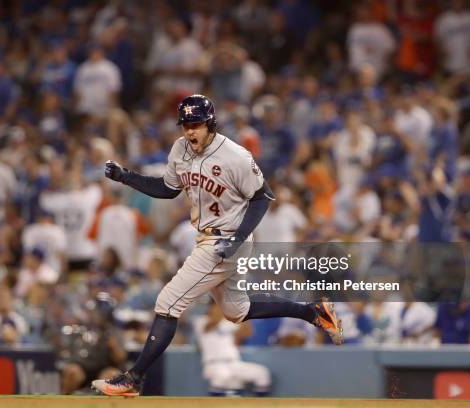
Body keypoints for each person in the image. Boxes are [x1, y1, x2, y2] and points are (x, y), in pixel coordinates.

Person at [92, 94, 343, 397]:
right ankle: (313, 312)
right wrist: (126, 177)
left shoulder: (235, 155)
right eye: (185, 124)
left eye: (196, 124)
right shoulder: (180, 149)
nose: (189, 130)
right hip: (209, 237)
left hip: (227, 239)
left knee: (168, 303)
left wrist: (236, 240)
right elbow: (168, 189)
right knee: (236, 310)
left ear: (210, 123)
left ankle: (133, 378)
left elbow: (263, 196)